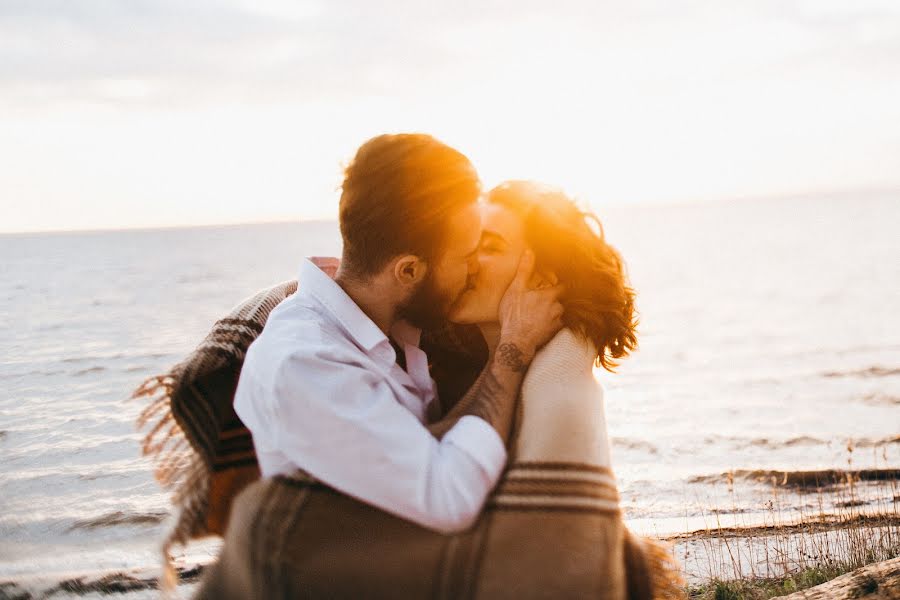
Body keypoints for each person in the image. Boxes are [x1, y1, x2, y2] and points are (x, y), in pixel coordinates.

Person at [231, 133, 564, 535]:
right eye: (465, 256)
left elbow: (439, 444)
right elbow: (449, 497)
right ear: (408, 271)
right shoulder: (305, 364)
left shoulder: (395, 322)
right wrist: (514, 347)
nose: (474, 269)